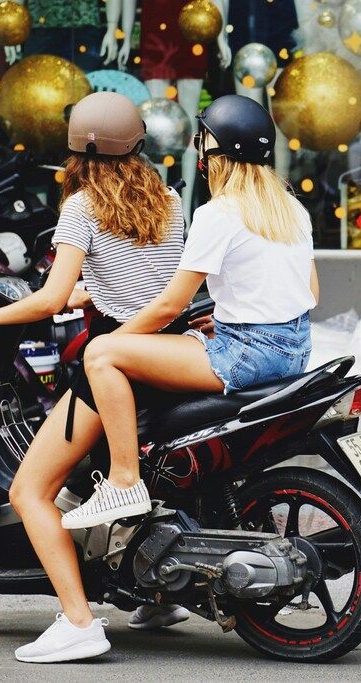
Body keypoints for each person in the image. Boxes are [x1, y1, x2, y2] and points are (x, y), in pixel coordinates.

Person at [0, 91, 188, 662]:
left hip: (114, 367)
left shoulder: (82, 206)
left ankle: (79, 622)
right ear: (136, 144)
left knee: (29, 490)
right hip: (166, 357)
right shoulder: (170, 200)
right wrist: (92, 290)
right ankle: (159, 595)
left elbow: (49, 297)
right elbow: (147, 282)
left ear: (78, 151)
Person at [70, 94, 317, 532]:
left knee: (101, 355)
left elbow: (171, 303)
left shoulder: (217, 213)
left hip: (244, 355)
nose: (198, 152)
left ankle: (124, 480)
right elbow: (308, 291)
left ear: (217, 154)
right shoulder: (291, 208)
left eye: (203, 142)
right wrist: (228, 319)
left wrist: (120, 339)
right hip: (293, 351)